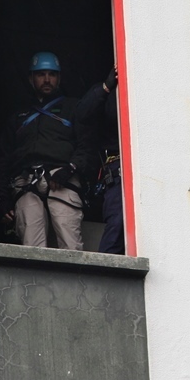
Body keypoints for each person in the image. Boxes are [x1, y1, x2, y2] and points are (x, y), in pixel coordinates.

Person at [0, 51, 91, 250]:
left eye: (52, 74)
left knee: (70, 244)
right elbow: (3, 160)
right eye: (41, 74)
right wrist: (2, 198)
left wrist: (71, 169)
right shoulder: (18, 116)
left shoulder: (73, 108)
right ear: (31, 79)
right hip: (26, 182)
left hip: (63, 178)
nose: (47, 80)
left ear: (59, 78)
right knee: (32, 248)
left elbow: (87, 145)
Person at [82, 67, 125, 254]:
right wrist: (106, 88)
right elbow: (82, 115)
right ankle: (107, 267)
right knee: (117, 222)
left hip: (145, 167)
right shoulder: (107, 92)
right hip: (116, 166)